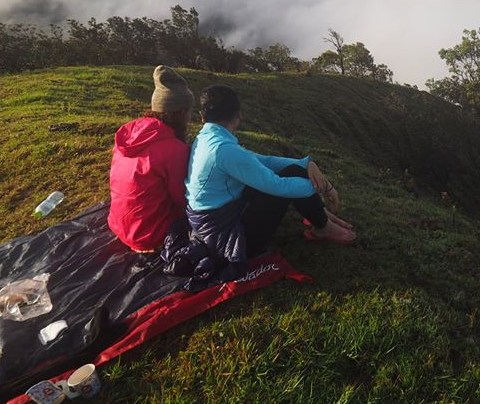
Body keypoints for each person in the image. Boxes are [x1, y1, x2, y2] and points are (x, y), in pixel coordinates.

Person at [166, 84, 354, 286]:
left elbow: (260, 160)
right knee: (287, 179)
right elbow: (278, 187)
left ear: (203, 117)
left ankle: (321, 218)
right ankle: (322, 224)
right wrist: (323, 188)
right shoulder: (224, 150)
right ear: (239, 114)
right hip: (225, 240)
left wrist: (306, 163)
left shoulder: (208, 138)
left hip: (215, 222)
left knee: (295, 171)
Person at [108, 65, 194, 252]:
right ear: (180, 113)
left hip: (119, 225)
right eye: (188, 111)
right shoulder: (173, 149)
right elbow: (183, 197)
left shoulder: (130, 133)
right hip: (151, 235)